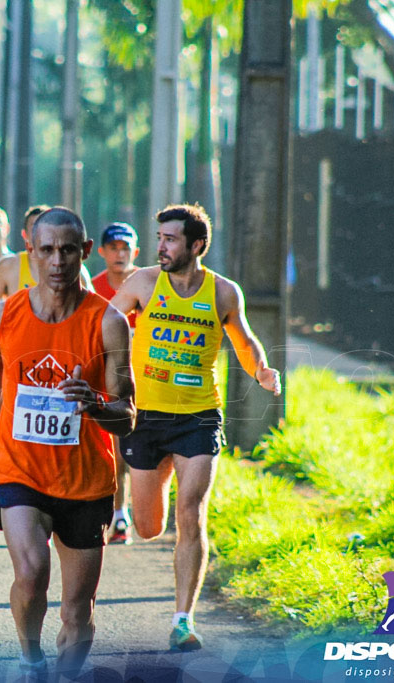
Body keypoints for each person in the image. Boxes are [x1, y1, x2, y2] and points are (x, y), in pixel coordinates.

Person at [0, 207, 135, 679]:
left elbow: (127, 417)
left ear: (84, 252)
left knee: (78, 617)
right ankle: (29, 658)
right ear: (32, 253)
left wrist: (95, 402)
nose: (57, 261)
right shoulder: (3, 314)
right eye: (47, 250)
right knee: (33, 571)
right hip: (21, 470)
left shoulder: (109, 322)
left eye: (67, 250)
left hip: (85, 483)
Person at [109, 203, 282, 652]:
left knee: (192, 511)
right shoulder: (144, 282)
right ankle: (158, 481)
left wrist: (262, 370)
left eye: (170, 239)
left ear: (196, 245)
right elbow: (106, 321)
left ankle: (183, 620)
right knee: (149, 526)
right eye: (160, 237)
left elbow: (244, 341)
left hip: (198, 415)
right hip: (145, 416)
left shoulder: (223, 293)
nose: (160, 246)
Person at [90, 222, 140, 545]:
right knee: (118, 451)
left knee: (142, 454)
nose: (120, 254)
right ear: (102, 252)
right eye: (114, 248)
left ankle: (135, 507)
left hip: (152, 379)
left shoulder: (149, 285)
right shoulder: (93, 288)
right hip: (113, 376)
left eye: (126, 248)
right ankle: (119, 514)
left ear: (135, 252)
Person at [0, 205, 94, 303]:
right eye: (35, 228)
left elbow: (94, 309)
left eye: (47, 227)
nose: (42, 233)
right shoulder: (9, 267)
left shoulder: (75, 270)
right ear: (24, 234)